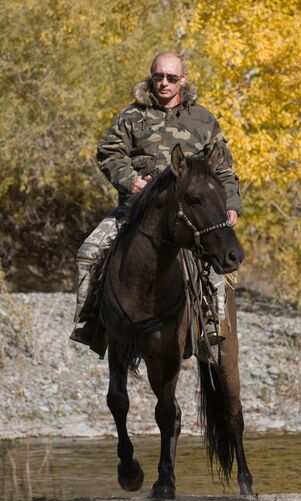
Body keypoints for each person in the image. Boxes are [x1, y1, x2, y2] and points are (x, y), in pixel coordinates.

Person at [70, 52, 242, 352]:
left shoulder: (203, 119)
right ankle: (91, 321)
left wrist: (230, 205)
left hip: (188, 214)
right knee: (89, 252)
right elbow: (110, 153)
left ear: (182, 80)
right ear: (151, 77)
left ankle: (210, 325)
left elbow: (223, 169)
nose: (164, 83)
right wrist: (130, 180)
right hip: (135, 211)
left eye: (172, 78)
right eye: (158, 76)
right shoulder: (130, 116)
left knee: (215, 263)